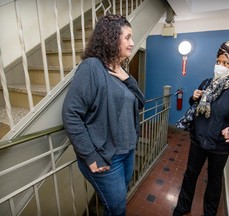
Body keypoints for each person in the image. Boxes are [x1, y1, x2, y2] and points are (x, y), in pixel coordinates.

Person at [62, 14, 145, 216]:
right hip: (107, 157)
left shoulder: (119, 71)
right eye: (127, 37)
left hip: (127, 150)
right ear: (111, 37)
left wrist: (128, 79)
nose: (132, 43)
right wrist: (90, 155)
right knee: (116, 208)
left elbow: (140, 103)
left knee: (116, 204)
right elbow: (71, 114)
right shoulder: (91, 67)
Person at [173, 39, 229, 216]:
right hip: (197, 140)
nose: (220, 66)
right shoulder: (206, 83)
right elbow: (194, 108)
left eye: (226, 63)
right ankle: (182, 207)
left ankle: (209, 212)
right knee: (190, 175)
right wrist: (193, 98)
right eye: (218, 61)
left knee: (214, 182)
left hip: (219, 147)